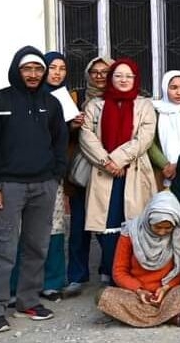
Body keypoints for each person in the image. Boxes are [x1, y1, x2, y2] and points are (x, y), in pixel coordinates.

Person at [0, 48, 68, 333]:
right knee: (4, 248)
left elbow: (59, 142)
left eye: (37, 69)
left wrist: (55, 176)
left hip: (44, 185)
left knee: (37, 247)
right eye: (27, 69)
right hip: (8, 187)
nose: (32, 74)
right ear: (17, 70)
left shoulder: (51, 103)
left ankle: (28, 300)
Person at [78, 59, 157, 287]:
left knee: (133, 223)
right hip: (105, 173)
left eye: (128, 76)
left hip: (133, 172)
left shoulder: (144, 106)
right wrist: (107, 161)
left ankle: (131, 272)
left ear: (135, 79)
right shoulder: (96, 105)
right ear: (111, 78)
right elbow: (86, 136)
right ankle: (112, 270)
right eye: (118, 75)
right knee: (106, 225)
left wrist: (118, 159)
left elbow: (144, 138)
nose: (123, 80)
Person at [14, 51, 73, 302]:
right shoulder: (23, 97)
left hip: (52, 174)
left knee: (55, 226)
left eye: (62, 68)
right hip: (22, 175)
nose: (57, 73)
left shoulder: (65, 97)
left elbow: (61, 138)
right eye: (52, 67)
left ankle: (52, 281)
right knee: (23, 229)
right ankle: (19, 283)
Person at [97, 192, 180, 328]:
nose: (162, 232)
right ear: (148, 220)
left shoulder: (178, 233)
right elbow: (119, 271)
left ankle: (139, 317)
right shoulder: (131, 232)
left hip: (168, 292)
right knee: (101, 296)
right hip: (136, 294)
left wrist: (165, 288)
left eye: (167, 228)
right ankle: (168, 317)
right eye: (157, 227)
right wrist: (139, 291)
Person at [65, 55, 114, 297]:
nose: (99, 76)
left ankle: (108, 270)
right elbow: (59, 131)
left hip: (108, 170)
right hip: (82, 172)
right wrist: (72, 127)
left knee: (107, 225)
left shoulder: (120, 98)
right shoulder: (75, 100)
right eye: (94, 72)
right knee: (78, 226)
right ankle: (76, 275)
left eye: (105, 71)